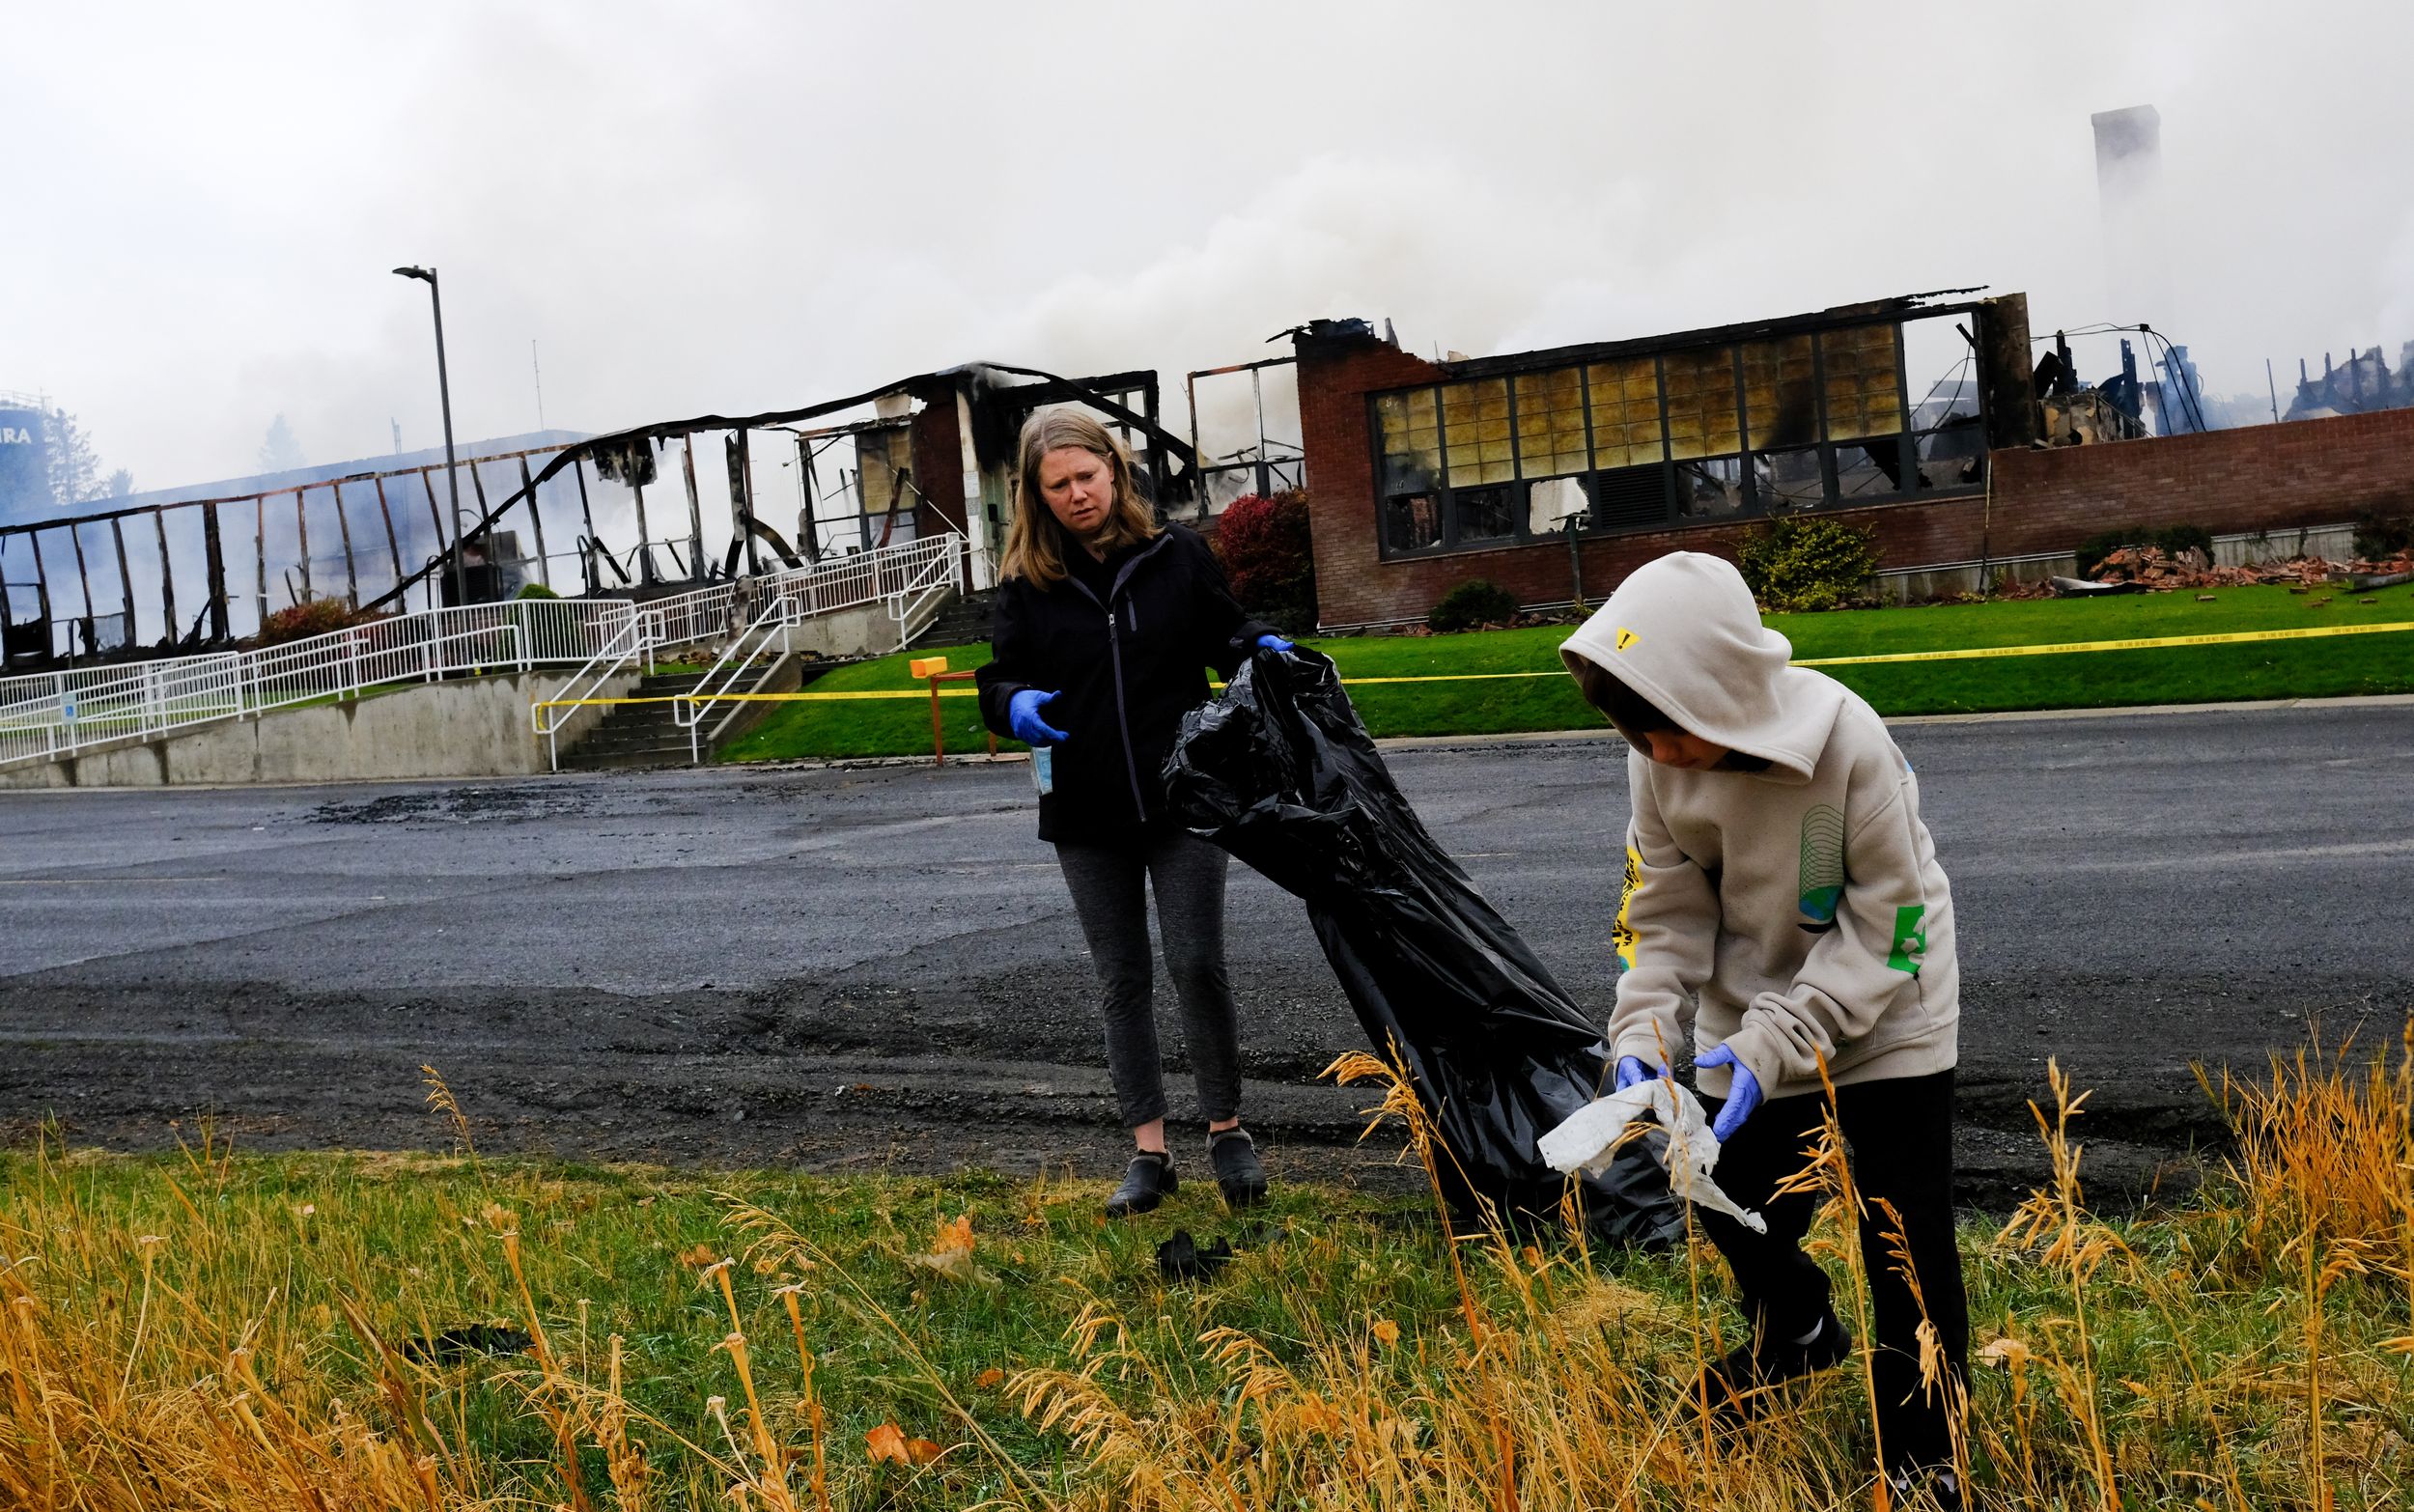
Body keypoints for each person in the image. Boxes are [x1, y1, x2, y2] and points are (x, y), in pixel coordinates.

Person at [1558, 551, 1968, 1506]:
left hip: (1889, 1013)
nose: (1656, 752)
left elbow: (1890, 922)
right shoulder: (1654, 764)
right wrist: (1643, 1032)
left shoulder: (1848, 744)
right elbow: (1663, 910)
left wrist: (1781, 1038)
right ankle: (1797, 1330)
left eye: (1667, 726)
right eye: (1636, 732)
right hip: (1747, 1017)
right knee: (1722, 1192)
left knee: (1904, 1243)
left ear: (1722, 693)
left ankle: (1923, 1462)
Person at [976, 408, 1292, 1218]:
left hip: (1185, 800)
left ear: (1114, 472)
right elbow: (999, 677)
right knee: (1122, 979)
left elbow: (1226, 632)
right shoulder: (1027, 585)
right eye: (1058, 485)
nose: (1077, 494)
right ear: (1037, 496)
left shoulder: (1176, 554)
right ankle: (1149, 1152)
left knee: (1196, 963)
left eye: (1087, 476)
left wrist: (1259, 644)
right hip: (1083, 812)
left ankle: (1226, 1130)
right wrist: (1012, 705)